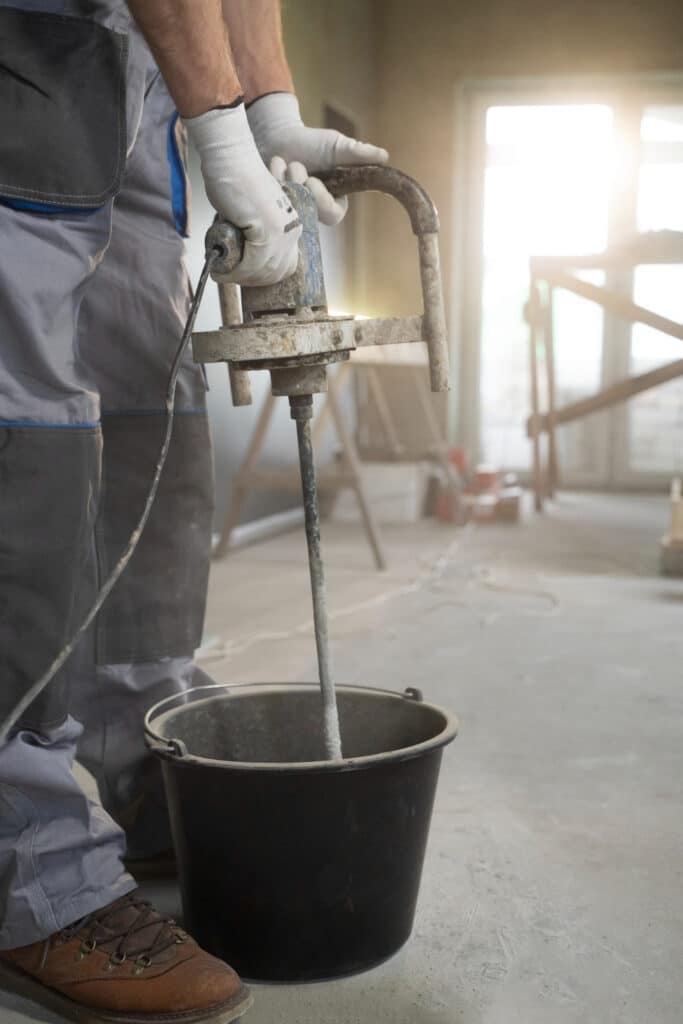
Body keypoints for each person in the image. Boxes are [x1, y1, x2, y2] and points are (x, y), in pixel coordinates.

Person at [0, 1, 388, 1021]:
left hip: (132, 60)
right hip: (22, 37)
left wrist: (266, 107)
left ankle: (141, 751)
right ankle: (25, 863)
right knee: (18, 416)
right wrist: (219, 122)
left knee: (144, 392)